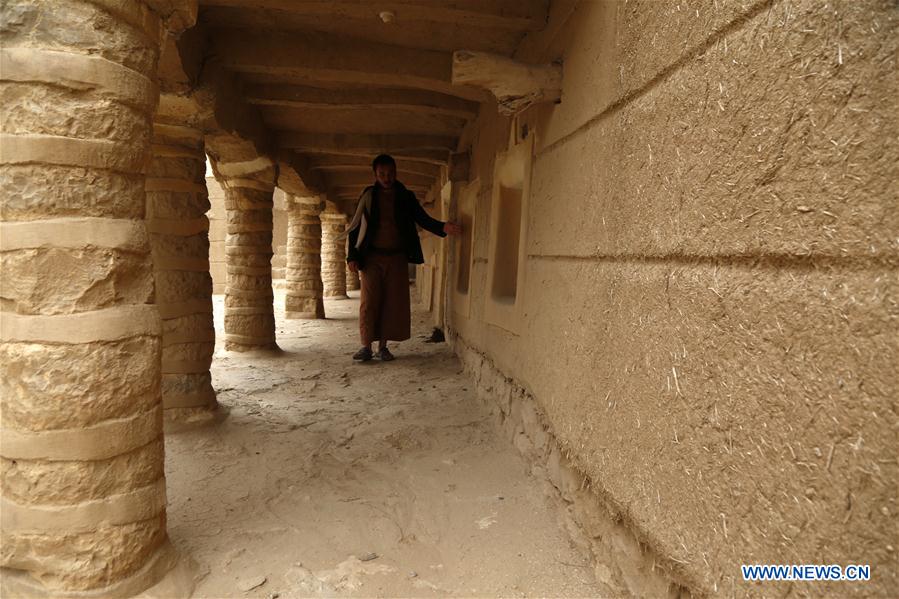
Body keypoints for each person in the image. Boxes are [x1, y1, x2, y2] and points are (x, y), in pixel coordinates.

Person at [346, 154, 462, 361]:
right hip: (371, 258)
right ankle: (366, 347)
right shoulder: (368, 196)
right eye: (382, 174)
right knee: (369, 301)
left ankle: (383, 347)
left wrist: (443, 226)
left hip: (397, 258)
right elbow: (355, 227)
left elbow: (422, 218)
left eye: (390, 173)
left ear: (396, 173)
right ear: (375, 174)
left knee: (392, 302)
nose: (386, 177)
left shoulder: (405, 197)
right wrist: (352, 256)